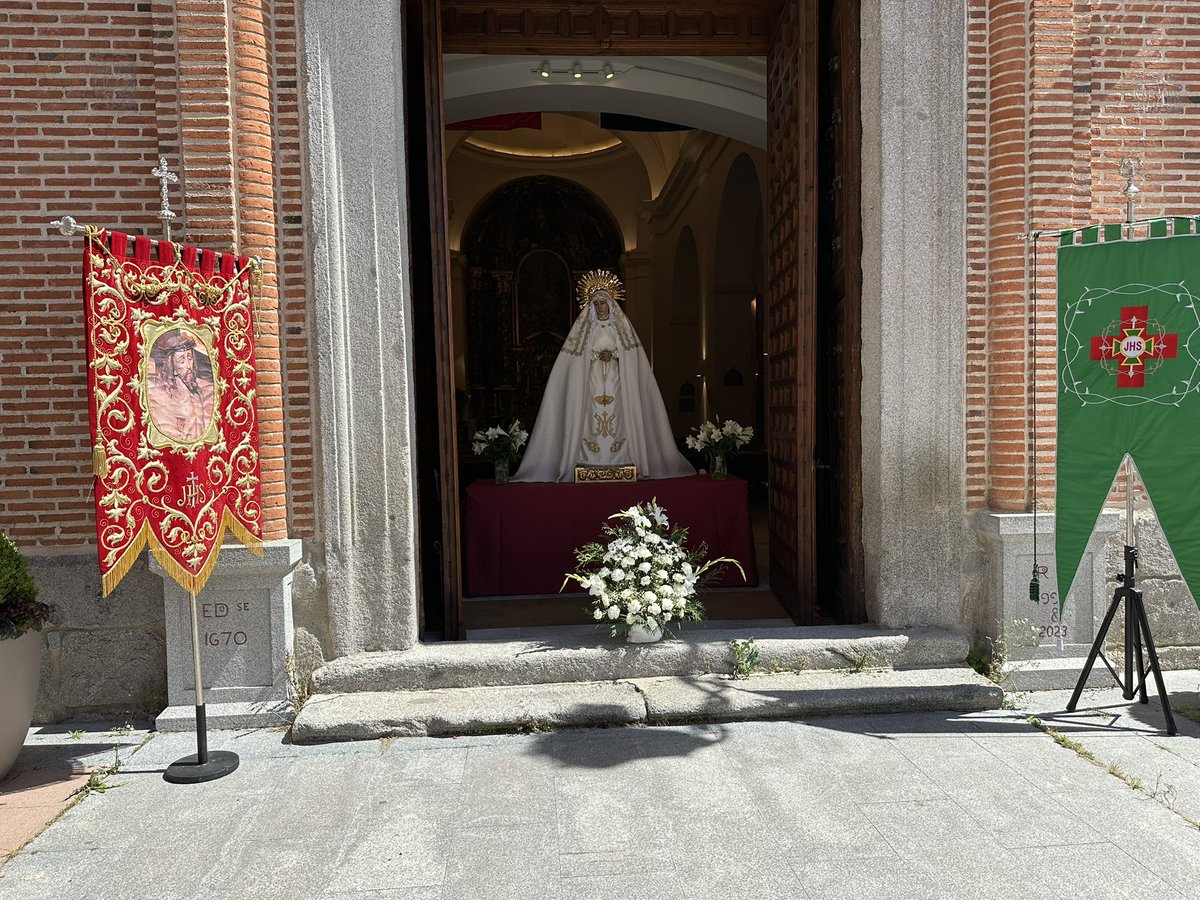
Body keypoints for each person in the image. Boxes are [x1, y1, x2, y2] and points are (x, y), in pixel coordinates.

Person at [514, 270, 695, 482]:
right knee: (590, 417)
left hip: (617, 382)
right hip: (592, 383)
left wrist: (615, 354)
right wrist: (594, 356)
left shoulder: (621, 328)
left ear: (611, 304)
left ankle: (622, 458)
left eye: (604, 303)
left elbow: (632, 356)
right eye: (597, 304)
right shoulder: (585, 330)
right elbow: (574, 360)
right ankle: (588, 459)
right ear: (591, 306)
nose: (601, 308)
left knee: (619, 416)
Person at [146, 328, 216, 444]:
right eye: (182, 361)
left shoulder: (198, 389)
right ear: (172, 367)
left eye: (190, 358)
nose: (189, 365)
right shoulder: (162, 396)